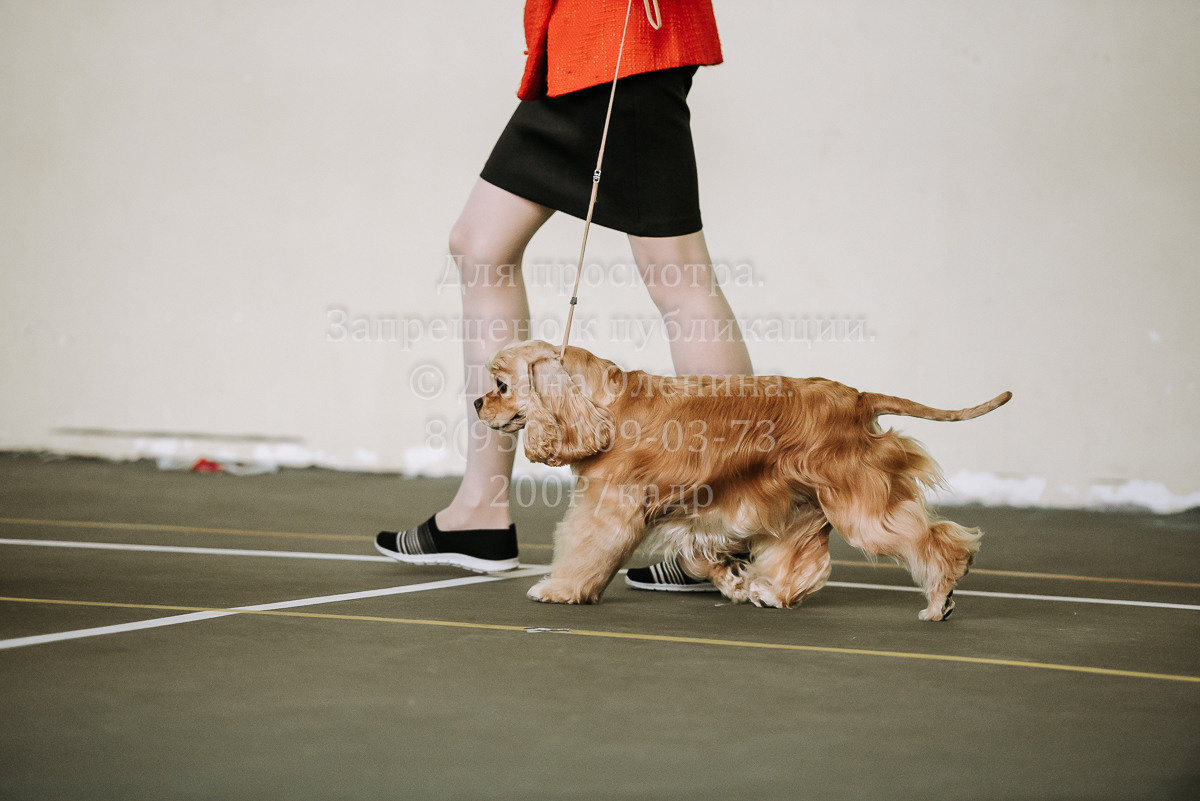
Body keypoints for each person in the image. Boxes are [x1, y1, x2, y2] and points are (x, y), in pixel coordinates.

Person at [375, 0, 751, 591]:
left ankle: (730, 526)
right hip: (594, 44)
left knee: (678, 277)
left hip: (616, 40)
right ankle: (481, 508)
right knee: (482, 246)